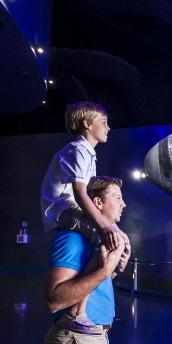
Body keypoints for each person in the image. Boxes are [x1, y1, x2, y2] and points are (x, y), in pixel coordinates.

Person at [43, 176, 129, 344]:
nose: (123, 204)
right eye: (116, 197)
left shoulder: (96, 241)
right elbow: (54, 300)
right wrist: (104, 270)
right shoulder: (72, 239)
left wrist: (114, 269)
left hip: (94, 339)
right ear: (97, 203)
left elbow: (92, 285)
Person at [40, 102, 128, 253]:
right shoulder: (78, 150)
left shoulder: (87, 153)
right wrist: (106, 227)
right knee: (106, 238)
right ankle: (100, 274)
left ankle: (111, 272)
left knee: (119, 236)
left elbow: (89, 195)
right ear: (87, 124)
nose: (108, 128)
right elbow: (80, 193)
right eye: (104, 123)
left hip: (75, 208)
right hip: (63, 210)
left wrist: (114, 227)